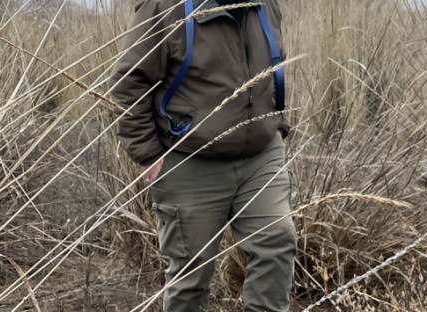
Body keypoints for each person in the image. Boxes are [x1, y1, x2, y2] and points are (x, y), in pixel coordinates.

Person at [109, 0, 295, 311]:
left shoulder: (266, 5)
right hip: (189, 162)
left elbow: (273, 66)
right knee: (191, 276)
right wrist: (149, 156)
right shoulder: (166, 6)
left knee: (276, 243)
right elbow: (128, 84)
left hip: (261, 157)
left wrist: (278, 124)